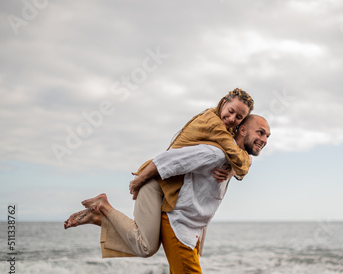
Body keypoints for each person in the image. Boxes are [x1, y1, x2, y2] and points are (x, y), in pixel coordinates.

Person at [64, 88, 254, 259]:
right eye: (230, 111)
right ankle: (103, 207)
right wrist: (139, 181)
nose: (232, 119)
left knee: (152, 243)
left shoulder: (224, 129)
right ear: (223, 103)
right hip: (155, 181)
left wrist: (231, 171)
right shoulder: (215, 125)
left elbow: (242, 158)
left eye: (238, 117)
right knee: (146, 247)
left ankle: (99, 218)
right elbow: (240, 160)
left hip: (168, 186)